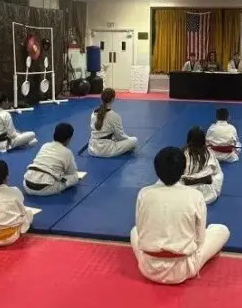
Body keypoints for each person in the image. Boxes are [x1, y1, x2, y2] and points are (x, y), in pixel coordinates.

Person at [130, 146, 230, 284]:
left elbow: (141, 231)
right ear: (183, 170)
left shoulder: (144, 193)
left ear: (156, 170)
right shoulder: (195, 196)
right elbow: (200, 240)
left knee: (134, 231)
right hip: (185, 268)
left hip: (149, 267)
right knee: (221, 230)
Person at [24, 123, 82, 196]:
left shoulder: (45, 145)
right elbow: (72, 172)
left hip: (27, 185)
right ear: (69, 139)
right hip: (44, 189)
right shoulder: (67, 152)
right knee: (75, 177)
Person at [88, 88, 138, 158]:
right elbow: (120, 136)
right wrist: (128, 138)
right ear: (113, 99)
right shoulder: (114, 116)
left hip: (92, 149)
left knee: (113, 137)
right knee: (134, 140)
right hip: (107, 150)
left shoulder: (93, 113)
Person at [182, 126, 223, 204]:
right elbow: (216, 171)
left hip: (186, 191)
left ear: (188, 139)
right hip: (206, 193)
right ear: (203, 140)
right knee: (219, 174)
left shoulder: (182, 153)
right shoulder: (209, 153)